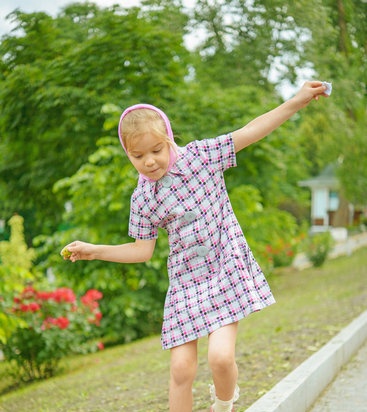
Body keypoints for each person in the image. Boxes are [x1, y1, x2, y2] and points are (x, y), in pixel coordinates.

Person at [61, 81, 330, 412]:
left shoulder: (202, 156)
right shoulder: (144, 197)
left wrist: (297, 101)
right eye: (138, 156)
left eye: (156, 150)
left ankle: (224, 404)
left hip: (224, 267)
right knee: (180, 369)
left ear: (169, 138)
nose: (149, 162)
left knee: (220, 357)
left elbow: (251, 130)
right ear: (128, 153)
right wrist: (95, 250)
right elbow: (142, 251)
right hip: (186, 283)